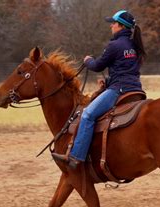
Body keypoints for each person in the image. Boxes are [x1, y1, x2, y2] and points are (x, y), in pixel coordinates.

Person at [52, 10, 146, 169]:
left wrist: (88, 60)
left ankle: (76, 157)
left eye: (113, 23)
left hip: (118, 90)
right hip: (136, 89)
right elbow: (126, 70)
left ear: (121, 26)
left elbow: (97, 66)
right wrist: (108, 80)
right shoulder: (135, 46)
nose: (111, 26)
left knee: (88, 114)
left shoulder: (115, 45)